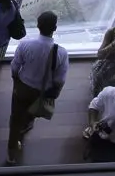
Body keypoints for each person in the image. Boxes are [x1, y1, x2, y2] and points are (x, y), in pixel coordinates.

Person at [7, 11, 69, 165]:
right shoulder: (61, 52)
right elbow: (59, 79)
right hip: (42, 92)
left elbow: (15, 67)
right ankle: (26, 124)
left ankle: (11, 153)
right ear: (54, 28)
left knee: (15, 118)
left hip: (23, 87)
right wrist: (55, 94)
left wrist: (16, 81)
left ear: (37, 25)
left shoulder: (25, 44)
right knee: (33, 112)